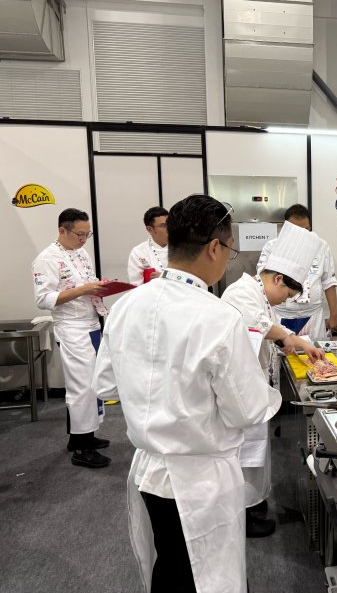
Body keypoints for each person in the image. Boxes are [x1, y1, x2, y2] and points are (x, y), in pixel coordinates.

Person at [92, 195, 281, 593]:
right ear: (214, 247)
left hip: (149, 472)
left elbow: (105, 385)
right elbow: (246, 411)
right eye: (228, 250)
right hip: (200, 479)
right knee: (207, 575)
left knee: (171, 563)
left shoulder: (126, 306)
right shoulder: (218, 317)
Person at [222, 220, 325, 538]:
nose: (286, 300)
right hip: (242, 391)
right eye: (287, 293)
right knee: (244, 455)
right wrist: (290, 338)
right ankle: (244, 513)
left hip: (254, 389)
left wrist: (293, 342)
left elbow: (269, 329)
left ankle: (254, 504)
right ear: (277, 278)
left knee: (255, 452)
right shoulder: (241, 291)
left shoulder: (261, 295)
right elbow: (257, 324)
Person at [32, 208, 110, 468]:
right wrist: (84, 290)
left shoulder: (82, 253)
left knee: (93, 383)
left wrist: (99, 286)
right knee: (82, 387)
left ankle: (82, 436)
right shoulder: (47, 259)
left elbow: (86, 283)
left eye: (88, 234)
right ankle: (81, 448)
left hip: (91, 322)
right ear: (62, 230)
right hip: (72, 327)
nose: (83, 240)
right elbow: (44, 299)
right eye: (79, 234)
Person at [257, 204, 337, 341]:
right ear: (286, 228)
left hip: (313, 317)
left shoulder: (321, 245)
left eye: (306, 230)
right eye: (297, 231)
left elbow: (328, 281)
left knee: (315, 352)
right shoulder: (271, 246)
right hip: (281, 315)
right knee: (282, 351)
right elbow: (263, 283)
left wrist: (334, 315)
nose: (303, 235)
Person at [128, 206, 169, 285]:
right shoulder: (138, 252)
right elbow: (136, 285)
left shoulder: (182, 248)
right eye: (163, 226)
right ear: (150, 229)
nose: (169, 228)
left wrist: (164, 277)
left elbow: (190, 278)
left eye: (170, 224)